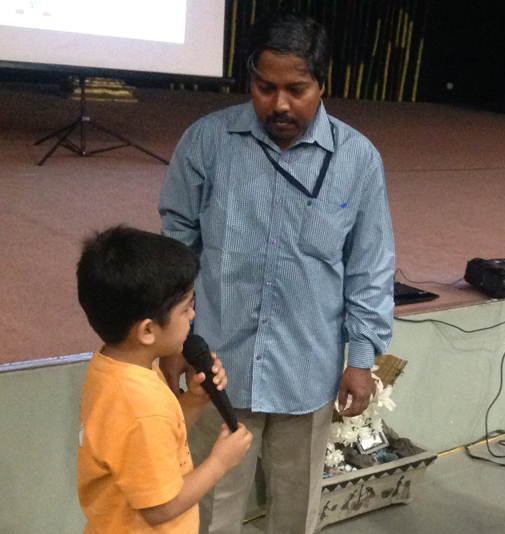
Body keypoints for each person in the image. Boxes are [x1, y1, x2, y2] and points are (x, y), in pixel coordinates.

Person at [158, 11, 395, 534]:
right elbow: (175, 248)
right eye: (265, 88)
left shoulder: (357, 160)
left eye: (296, 89)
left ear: (322, 84)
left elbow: (370, 267)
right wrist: (172, 341)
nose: (279, 104)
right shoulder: (207, 142)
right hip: (216, 367)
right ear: (250, 79)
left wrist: (361, 358)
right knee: (209, 510)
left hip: (306, 373)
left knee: (294, 510)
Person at [76, 226, 253, 534]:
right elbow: (160, 508)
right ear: (147, 330)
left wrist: (195, 400)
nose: (193, 315)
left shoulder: (116, 367)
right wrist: (219, 462)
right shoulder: (140, 404)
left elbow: (155, 440)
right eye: (186, 308)